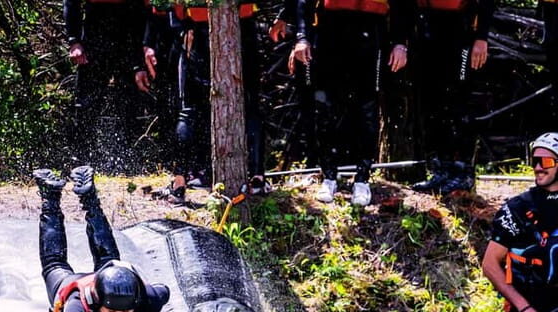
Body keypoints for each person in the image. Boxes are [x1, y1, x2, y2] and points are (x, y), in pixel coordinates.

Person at [34, 165, 170, 312]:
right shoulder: (79, 304)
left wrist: (137, 282)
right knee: (53, 264)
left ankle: (89, 196)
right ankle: (50, 196)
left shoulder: (147, 299)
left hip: (110, 276)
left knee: (110, 260)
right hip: (72, 284)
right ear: (98, 304)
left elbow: (164, 290)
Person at [284, 0, 409, 206]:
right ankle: (329, 176)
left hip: (373, 30)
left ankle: (362, 179)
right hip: (331, 29)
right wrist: (302, 37)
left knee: (367, 108)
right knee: (326, 107)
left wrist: (400, 43)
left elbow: (403, 6)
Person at [146, 1, 268, 205]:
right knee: (249, 105)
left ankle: (179, 181)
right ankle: (256, 179)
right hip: (235, 26)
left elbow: (164, 6)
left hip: (206, 28)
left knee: (190, 110)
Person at [481, 132, 558, 312]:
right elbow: (490, 264)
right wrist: (524, 307)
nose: (538, 167)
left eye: (546, 160)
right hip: (526, 305)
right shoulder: (518, 208)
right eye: (534, 160)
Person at [410, 0, 493, 194]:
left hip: (462, 28)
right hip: (429, 25)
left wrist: (481, 37)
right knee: (433, 103)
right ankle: (441, 169)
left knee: (459, 101)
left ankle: (463, 171)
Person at [64, 0, 148, 173]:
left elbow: (143, 10)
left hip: (129, 32)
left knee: (130, 101)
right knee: (86, 103)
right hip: (95, 33)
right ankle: (82, 161)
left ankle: (129, 161)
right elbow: (71, 3)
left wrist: (143, 50)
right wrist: (74, 40)